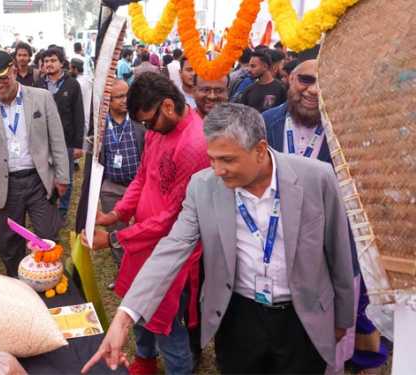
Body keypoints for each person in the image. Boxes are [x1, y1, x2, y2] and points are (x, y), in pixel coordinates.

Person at [83, 103, 356, 375]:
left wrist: (342, 317)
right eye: (212, 159)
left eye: (227, 160)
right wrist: (124, 318)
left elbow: (339, 251)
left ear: (260, 149)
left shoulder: (317, 178)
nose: (217, 170)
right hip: (239, 316)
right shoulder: (202, 187)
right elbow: (172, 249)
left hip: (302, 317)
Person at [262, 59, 386, 374]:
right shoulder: (262, 124)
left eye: (325, 82)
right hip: (273, 259)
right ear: (288, 78)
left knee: (326, 355)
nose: (314, 90)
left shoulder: (353, 131)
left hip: (332, 263)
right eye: (306, 79)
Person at [83, 72, 209, 375]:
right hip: (143, 242)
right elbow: (143, 176)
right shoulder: (157, 130)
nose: (146, 129)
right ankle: (144, 359)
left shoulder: (194, 144)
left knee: (168, 327)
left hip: (172, 253)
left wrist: (115, 239)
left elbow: (173, 220)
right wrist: (116, 215)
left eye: (148, 121)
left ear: (167, 105)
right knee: (137, 306)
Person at [0, 50, 69, 277]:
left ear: (14, 70)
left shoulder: (41, 97)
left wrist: (62, 176)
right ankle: (17, 285)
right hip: (6, 186)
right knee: (9, 242)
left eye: (3, 77)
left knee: (48, 236)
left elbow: (57, 139)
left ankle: (49, 281)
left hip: (38, 180)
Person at [98, 79, 145, 272]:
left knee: (142, 229)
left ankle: (141, 268)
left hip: (138, 186)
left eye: (127, 95)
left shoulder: (140, 122)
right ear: (108, 100)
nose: (125, 100)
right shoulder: (100, 126)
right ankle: (123, 269)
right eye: (119, 97)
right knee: (116, 231)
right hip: (112, 187)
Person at [37, 47, 84, 218]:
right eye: (46, 61)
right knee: (45, 175)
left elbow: (79, 114)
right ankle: (48, 207)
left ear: (61, 63)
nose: (49, 64)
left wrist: (78, 145)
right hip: (43, 141)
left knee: (66, 177)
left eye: (53, 60)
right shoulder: (39, 84)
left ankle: (62, 211)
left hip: (67, 140)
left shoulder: (72, 85)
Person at [69, 58, 92, 149]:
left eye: (71, 69)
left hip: (81, 116)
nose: (70, 71)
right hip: (88, 115)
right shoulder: (87, 80)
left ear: (75, 69)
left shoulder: (77, 83)